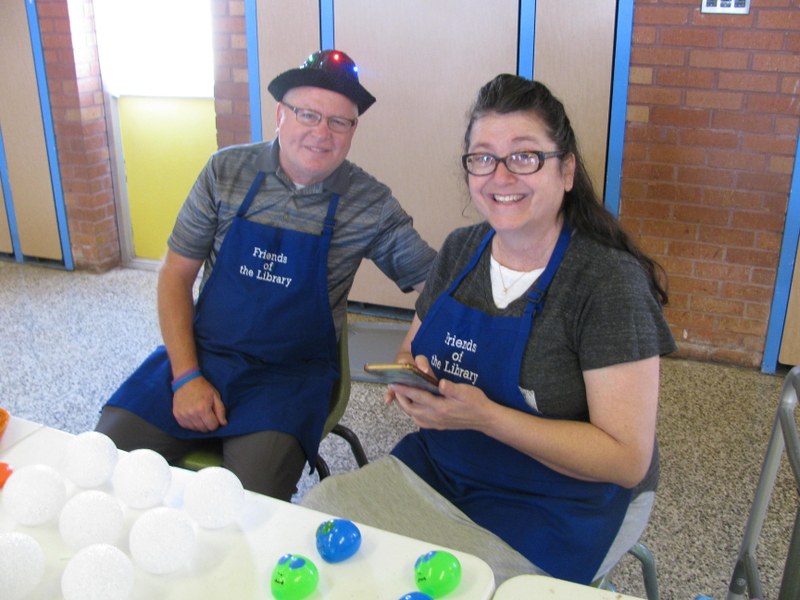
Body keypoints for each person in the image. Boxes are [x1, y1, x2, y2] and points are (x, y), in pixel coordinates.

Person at [302, 74, 676, 586]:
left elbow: (626, 460)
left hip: (557, 505)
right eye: (482, 157)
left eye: (524, 156)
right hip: (444, 469)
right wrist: (413, 381)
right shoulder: (461, 250)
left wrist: (486, 418)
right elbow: (413, 350)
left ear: (566, 170)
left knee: (458, 588)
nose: (500, 176)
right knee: (320, 513)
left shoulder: (607, 283)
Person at [95, 49, 436, 501]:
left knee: (249, 502)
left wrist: (413, 348)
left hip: (290, 377)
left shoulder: (369, 203)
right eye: (308, 114)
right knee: (104, 462)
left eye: (340, 122)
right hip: (204, 353)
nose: (322, 133)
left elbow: (443, 283)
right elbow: (174, 276)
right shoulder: (226, 172)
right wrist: (185, 378)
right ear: (280, 114)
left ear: (354, 130)